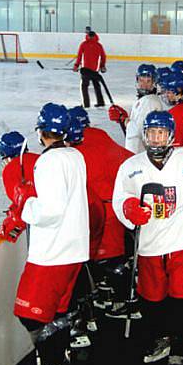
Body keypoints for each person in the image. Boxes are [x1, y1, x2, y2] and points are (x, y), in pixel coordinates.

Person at [112, 110, 183, 365]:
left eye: (161, 133)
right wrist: (128, 208)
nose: (156, 138)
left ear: (171, 134)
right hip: (149, 244)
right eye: (151, 133)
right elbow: (120, 198)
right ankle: (161, 338)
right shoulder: (131, 166)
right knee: (153, 299)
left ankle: (181, 348)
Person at [6, 103, 88, 365]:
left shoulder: (49, 162)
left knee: (30, 314)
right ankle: (63, 362)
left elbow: (49, 210)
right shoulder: (74, 155)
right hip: (73, 249)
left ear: (41, 131)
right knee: (57, 312)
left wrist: (23, 202)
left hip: (52, 253)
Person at [66, 106, 135, 319]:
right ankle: (119, 297)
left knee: (105, 259)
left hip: (98, 210)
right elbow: (130, 160)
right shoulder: (100, 136)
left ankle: (123, 301)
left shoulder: (73, 150)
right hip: (113, 206)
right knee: (111, 257)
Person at [108, 64, 164, 154]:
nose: (144, 85)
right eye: (141, 80)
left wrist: (123, 119)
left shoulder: (150, 101)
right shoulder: (145, 99)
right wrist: (125, 118)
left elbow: (137, 131)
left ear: (154, 82)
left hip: (139, 153)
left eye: (148, 81)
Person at [0, 131, 39, 243]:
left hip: (41, 223)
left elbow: (23, 204)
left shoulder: (10, 170)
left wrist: (9, 230)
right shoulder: (39, 158)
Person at [157, 71, 183, 147]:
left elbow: (176, 145)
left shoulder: (172, 115)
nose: (167, 95)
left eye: (169, 92)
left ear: (178, 91)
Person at [73, 31, 107, 109]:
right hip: (95, 70)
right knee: (97, 86)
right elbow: (103, 57)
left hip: (85, 70)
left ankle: (86, 104)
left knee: (84, 87)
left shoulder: (84, 44)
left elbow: (79, 56)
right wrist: (102, 66)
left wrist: (76, 65)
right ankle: (100, 102)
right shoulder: (99, 45)